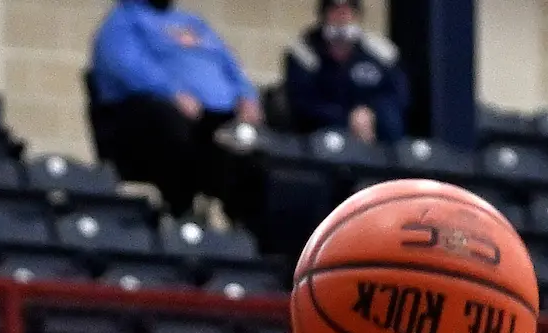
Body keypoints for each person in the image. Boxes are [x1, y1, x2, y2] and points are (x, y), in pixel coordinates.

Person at [88, 0, 266, 227]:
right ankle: (181, 213)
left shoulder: (192, 22)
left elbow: (228, 62)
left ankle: (248, 232)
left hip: (218, 119)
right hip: (155, 118)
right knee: (170, 125)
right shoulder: (123, 21)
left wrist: (247, 95)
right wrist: (171, 92)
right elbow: (125, 66)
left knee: (256, 150)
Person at [280, 0, 408, 142]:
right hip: (324, 134)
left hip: (376, 131)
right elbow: (303, 103)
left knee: (391, 121)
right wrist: (348, 117)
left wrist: (370, 114)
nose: (342, 17)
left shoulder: (381, 53)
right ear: (324, 15)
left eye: (348, 10)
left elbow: (399, 95)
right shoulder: (303, 53)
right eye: (335, 10)